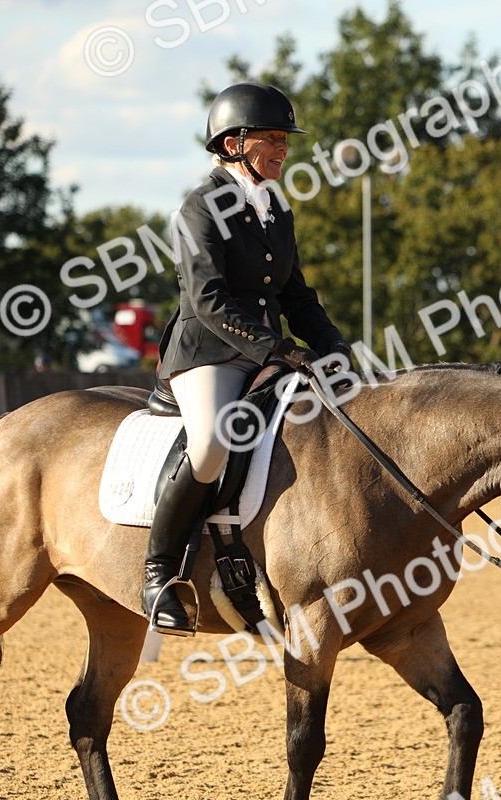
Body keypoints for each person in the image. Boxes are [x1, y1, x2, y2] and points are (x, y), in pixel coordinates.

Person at [144, 81, 351, 635]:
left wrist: (334, 347)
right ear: (234, 143)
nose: (283, 149)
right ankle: (159, 572)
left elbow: (296, 296)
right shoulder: (199, 208)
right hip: (209, 352)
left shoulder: (275, 209)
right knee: (212, 444)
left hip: (268, 354)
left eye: (285, 140)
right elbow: (207, 299)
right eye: (272, 139)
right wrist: (276, 347)